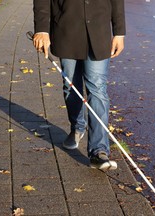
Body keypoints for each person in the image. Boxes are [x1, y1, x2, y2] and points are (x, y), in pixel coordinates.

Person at [32, 0, 126, 171]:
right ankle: (77, 127)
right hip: (67, 29)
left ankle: (99, 151)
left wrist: (119, 32)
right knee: (71, 87)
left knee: (97, 90)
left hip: (99, 32)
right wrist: (41, 29)